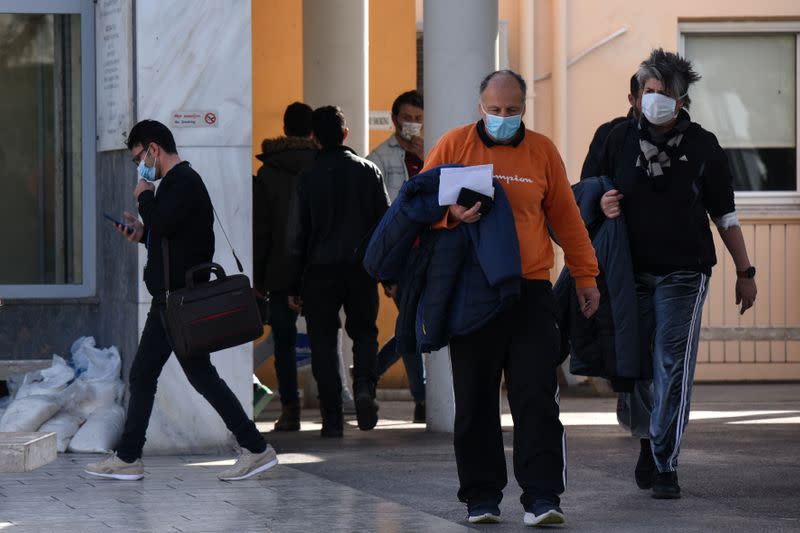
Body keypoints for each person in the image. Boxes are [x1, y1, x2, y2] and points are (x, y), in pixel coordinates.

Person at [422, 70, 600, 527]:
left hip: (531, 290)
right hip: (473, 293)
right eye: (495, 109)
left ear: (525, 106)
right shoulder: (453, 146)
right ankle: (481, 498)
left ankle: (543, 497)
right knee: (476, 399)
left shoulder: (541, 151)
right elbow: (416, 206)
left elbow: (566, 218)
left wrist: (585, 276)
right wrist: (450, 215)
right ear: (480, 106)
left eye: (512, 109)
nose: (503, 117)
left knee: (536, 396)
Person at [598, 49, 757, 499]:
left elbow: (724, 214)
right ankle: (650, 440)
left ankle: (665, 462)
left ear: (682, 102)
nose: (656, 100)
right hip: (629, 271)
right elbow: (588, 192)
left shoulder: (703, 145)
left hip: (684, 272)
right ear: (637, 96)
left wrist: (745, 271)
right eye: (650, 92)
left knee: (672, 364)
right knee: (640, 367)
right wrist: (601, 201)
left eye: (666, 94)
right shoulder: (616, 139)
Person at [85, 120, 276, 482]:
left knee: (182, 377)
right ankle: (130, 457)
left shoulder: (183, 182)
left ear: (154, 149)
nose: (139, 166)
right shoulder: (176, 185)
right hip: (171, 302)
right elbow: (171, 234)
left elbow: (164, 220)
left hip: (178, 303)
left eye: (140, 157)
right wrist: (142, 234)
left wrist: (143, 195)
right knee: (152, 375)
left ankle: (254, 448)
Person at [288, 106, 390, 438]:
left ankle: (332, 418)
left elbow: (297, 234)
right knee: (365, 333)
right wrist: (387, 274)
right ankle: (363, 386)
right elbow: (385, 225)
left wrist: (293, 282)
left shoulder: (306, 177)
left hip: (319, 272)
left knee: (323, 341)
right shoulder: (369, 171)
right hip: (361, 270)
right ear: (345, 134)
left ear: (314, 138)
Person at [253, 102, 318, 431]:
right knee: (324, 338)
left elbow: (261, 231)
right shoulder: (324, 166)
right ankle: (332, 412)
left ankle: (290, 409)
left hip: (278, 271)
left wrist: (259, 278)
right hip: (319, 269)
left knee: (283, 341)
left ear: (284, 127)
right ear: (312, 132)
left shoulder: (268, 172)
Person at [367, 90, 426, 422]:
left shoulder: (434, 152)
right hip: (402, 259)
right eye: (407, 117)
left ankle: (371, 369)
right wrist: (385, 273)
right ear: (395, 119)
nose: (413, 124)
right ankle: (421, 398)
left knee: (417, 323)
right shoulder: (378, 158)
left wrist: (427, 157)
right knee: (413, 324)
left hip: (432, 252)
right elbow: (378, 218)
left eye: (418, 118)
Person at [580, 74, 640, 180]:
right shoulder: (608, 132)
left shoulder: (676, 134)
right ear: (631, 99)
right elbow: (588, 183)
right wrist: (601, 196)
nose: (655, 104)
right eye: (649, 94)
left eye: (664, 95)